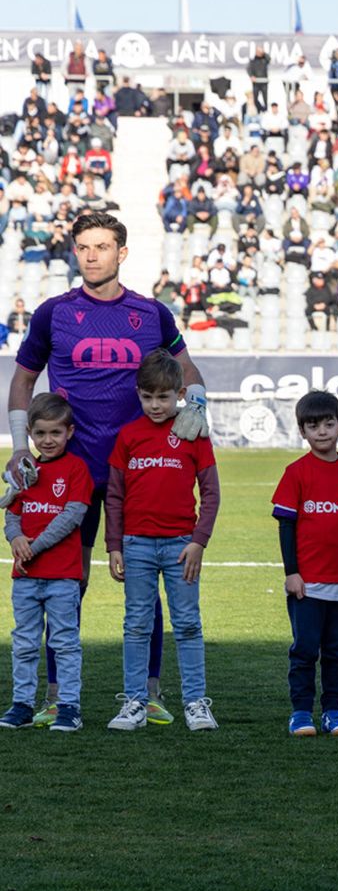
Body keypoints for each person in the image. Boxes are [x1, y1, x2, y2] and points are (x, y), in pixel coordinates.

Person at [5, 211, 207, 728]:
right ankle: (55, 696)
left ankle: (149, 694)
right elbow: (24, 380)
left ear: (122, 252)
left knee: (147, 578)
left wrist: (196, 408)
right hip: (66, 470)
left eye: (102, 246)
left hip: (137, 470)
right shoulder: (54, 313)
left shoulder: (151, 313)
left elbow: (188, 373)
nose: (91, 255)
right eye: (83, 247)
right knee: (63, 581)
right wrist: (19, 444)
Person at [104, 351, 220, 732]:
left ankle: (196, 703)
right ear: (138, 394)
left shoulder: (194, 434)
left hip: (180, 546)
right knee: (136, 625)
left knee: (187, 624)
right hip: (136, 546)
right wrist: (114, 545)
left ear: (180, 394)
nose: (156, 405)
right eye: (148, 397)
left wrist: (198, 541)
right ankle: (135, 702)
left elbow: (211, 494)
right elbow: (115, 496)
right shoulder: (128, 436)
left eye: (164, 397)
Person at [272, 390, 338, 738]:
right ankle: (301, 713)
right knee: (304, 650)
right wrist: (292, 573)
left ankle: (334, 710)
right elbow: (286, 526)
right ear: (302, 431)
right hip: (308, 583)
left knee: (337, 652)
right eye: (313, 425)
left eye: (329, 423)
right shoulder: (296, 473)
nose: (322, 431)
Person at [1, 394, 91, 732]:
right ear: (29, 434)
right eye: (40, 434)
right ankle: (22, 705)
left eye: (55, 433)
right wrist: (15, 539)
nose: (48, 440)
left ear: (70, 432)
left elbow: (72, 516)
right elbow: (13, 514)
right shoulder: (25, 471)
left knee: (64, 643)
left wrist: (34, 546)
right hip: (25, 577)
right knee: (24, 642)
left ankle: (68, 706)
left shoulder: (76, 469)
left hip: (61, 577)